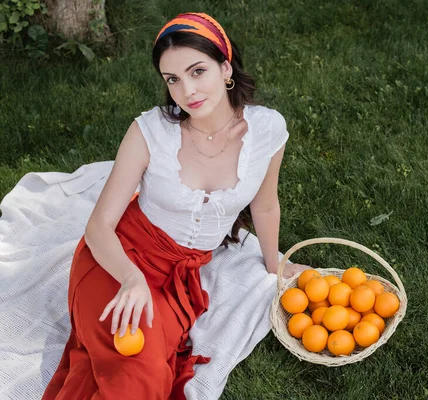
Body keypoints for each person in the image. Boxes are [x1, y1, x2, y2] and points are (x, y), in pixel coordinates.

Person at [42, 12, 309, 399]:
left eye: (197, 71)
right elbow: (99, 227)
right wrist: (131, 278)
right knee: (132, 369)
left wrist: (275, 266)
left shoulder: (267, 131)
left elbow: (265, 206)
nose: (187, 91)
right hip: (118, 258)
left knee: (146, 372)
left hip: (178, 277)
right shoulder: (150, 131)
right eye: (173, 79)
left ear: (225, 67)